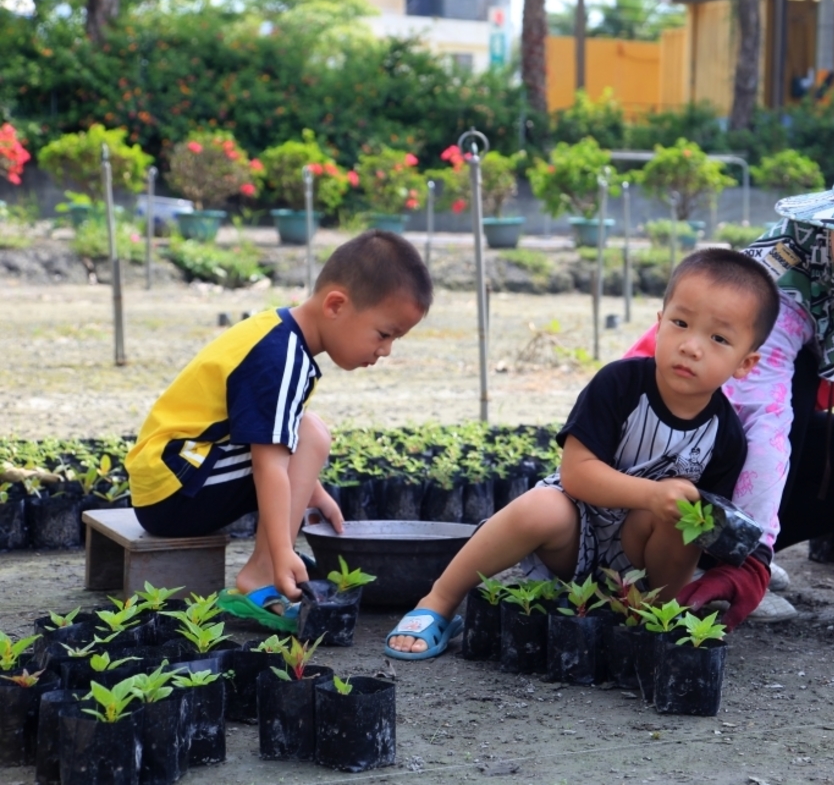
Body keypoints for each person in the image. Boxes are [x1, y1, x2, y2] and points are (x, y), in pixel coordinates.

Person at [630, 132, 834, 640]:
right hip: (657, 434)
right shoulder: (777, 277)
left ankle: (724, 554)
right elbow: (759, 413)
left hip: (757, 438)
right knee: (795, 387)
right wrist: (749, 555)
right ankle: (702, 557)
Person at [384, 248, 781, 660]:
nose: (692, 347)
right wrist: (651, 495)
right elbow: (576, 474)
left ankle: (649, 617)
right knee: (540, 506)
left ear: (745, 363)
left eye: (718, 338)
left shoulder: (726, 435)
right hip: (575, 530)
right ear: (659, 324)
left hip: (644, 563)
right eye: (681, 323)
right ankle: (439, 600)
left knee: (685, 523)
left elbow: (706, 536)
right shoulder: (620, 383)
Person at [125, 230, 433, 631]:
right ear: (336, 305)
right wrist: (283, 548)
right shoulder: (280, 355)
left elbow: (275, 437)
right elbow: (268, 462)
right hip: (173, 488)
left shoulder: (281, 333)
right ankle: (262, 573)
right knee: (312, 435)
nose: (386, 350)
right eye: (384, 333)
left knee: (309, 430)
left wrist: (311, 491)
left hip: (177, 474)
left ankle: (269, 564)